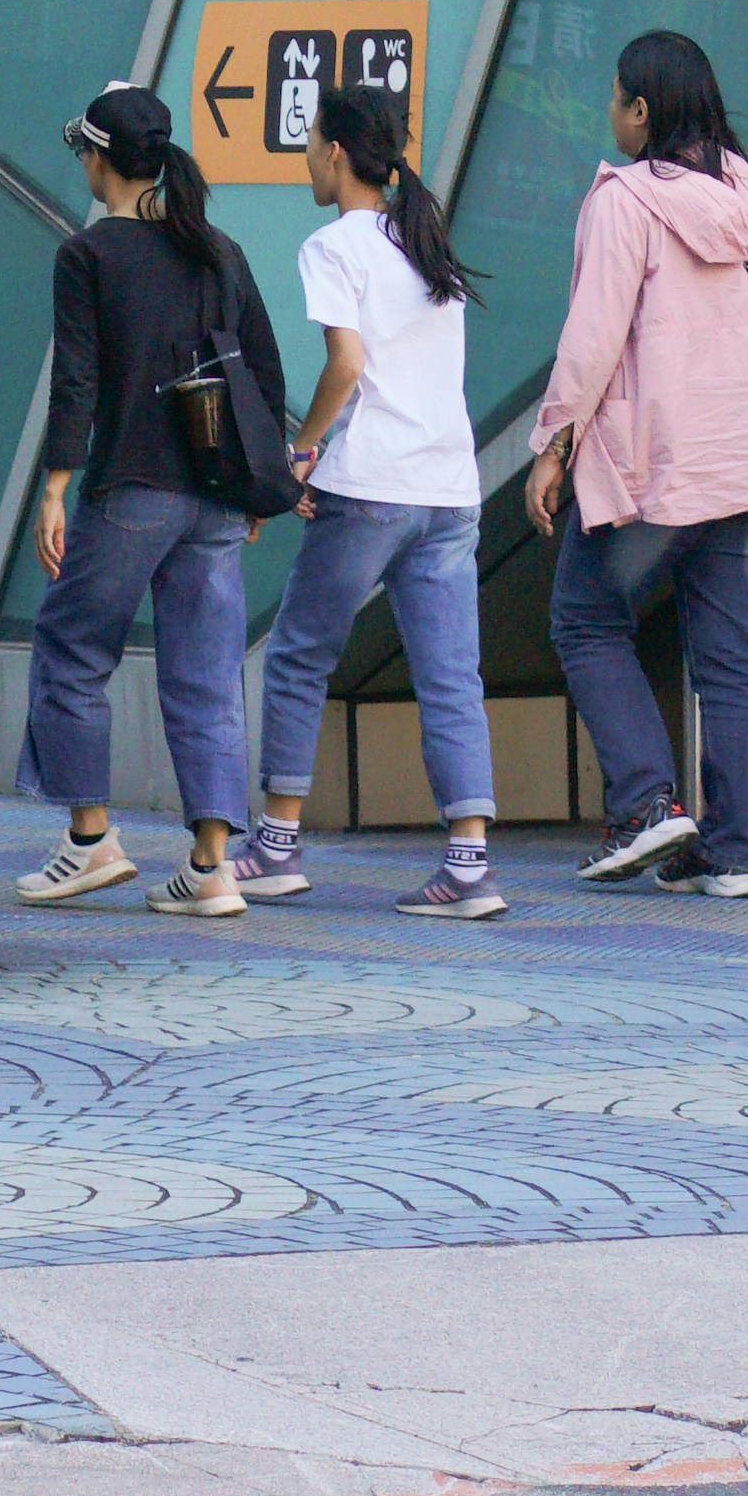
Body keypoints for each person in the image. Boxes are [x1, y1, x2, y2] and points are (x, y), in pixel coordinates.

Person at [523, 28, 748, 899]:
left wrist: (554, 444)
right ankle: (730, 856)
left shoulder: (626, 201)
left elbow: (592, 338)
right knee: (728, 651)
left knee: (584, 619)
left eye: (616, 99)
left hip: (661, 461)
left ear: (642, 110)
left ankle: (648, 806)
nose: (610, 114)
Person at [25, 78, 286, 920]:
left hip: (132, 488)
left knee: (71, 647)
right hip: (214, 498)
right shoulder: (218, 250)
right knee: (208, 678)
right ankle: (211, 865)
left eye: (83, 153)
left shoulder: (89, 254)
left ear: (101, 158)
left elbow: (79, 382)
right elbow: (265, 373)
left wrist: (56, 486)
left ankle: (91, 841)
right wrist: (257, 484)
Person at [240, 80, 500, 919]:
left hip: (373, 488)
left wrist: (301, 453)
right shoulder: (425, 240)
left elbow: (347, 368)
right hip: (450, 489)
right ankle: (468, 866)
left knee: (299, 654)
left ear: (340, 153)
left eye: (311, 143)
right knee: (450, 675)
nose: (307, 158)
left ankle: (276, 845)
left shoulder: (335, 245)